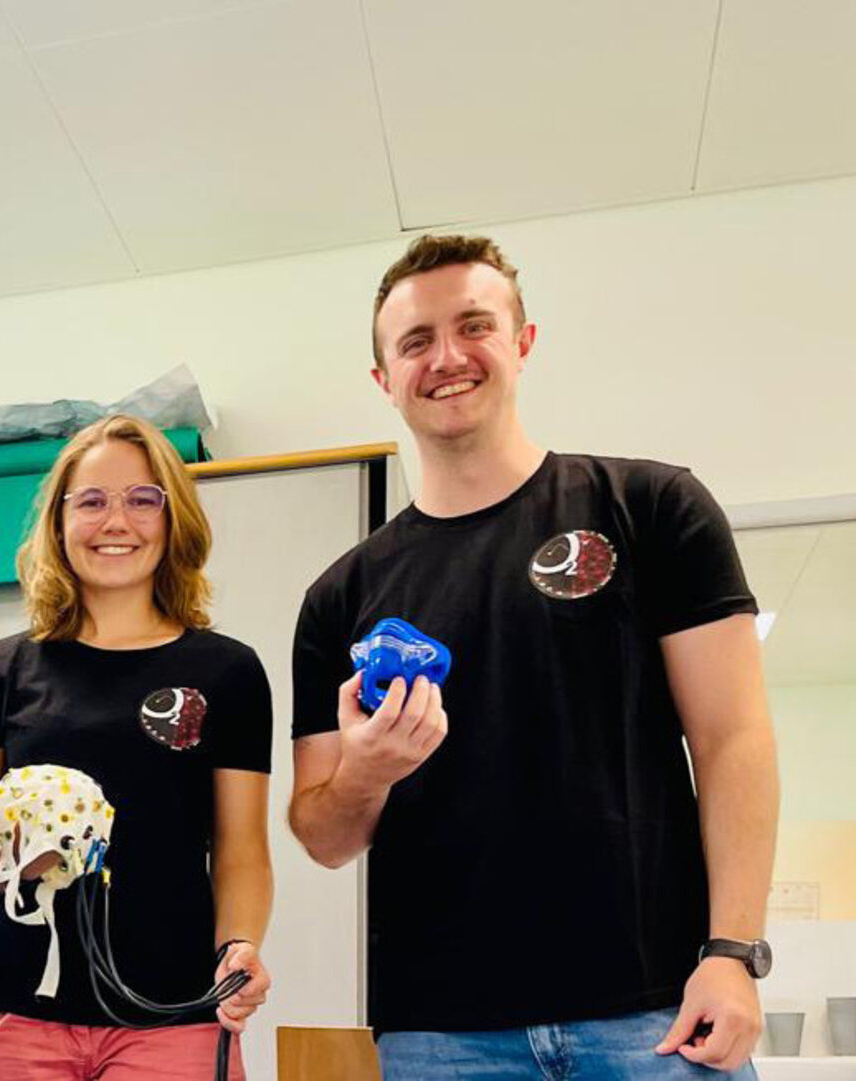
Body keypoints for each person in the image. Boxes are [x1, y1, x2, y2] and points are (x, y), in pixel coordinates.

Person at [287, 234, 777, 1078]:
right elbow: (322, 835)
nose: (446, 357)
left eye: (473, 325)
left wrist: (732, 950)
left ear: (522, 341)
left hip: (654, 1012)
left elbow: (734, 739)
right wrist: (367, 771)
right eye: (415, 341)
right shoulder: (341, 596)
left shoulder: (651, 508)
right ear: (383, 380)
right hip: (441, 1032)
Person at [0, 414, 274, 1080]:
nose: (115, 520)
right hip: (19, 1013)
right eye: (91, 501)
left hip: (175, 1015)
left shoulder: (228, 673)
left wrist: (240, 948)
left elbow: (241, 848)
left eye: (142, 499)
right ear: (59, 523)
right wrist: (13, 864)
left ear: (172, 517)